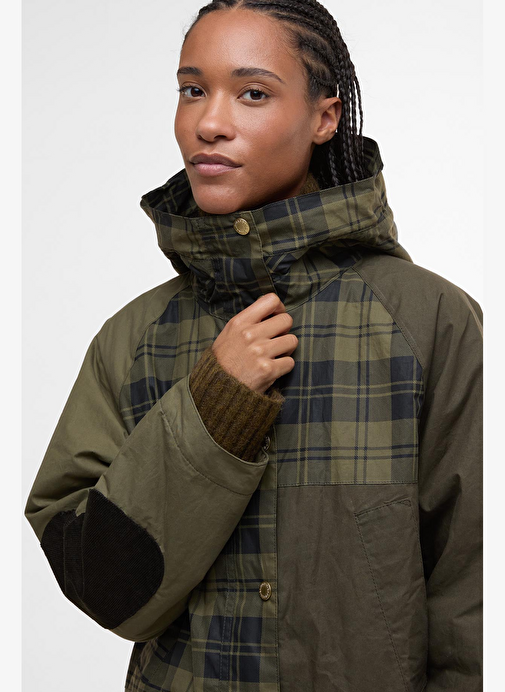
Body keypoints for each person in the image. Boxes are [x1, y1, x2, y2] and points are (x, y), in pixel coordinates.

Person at [24, 1, 483, 691]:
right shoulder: (134, 338)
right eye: (191, 89)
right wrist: (211, 414)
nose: (208, 122)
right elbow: (101, 587)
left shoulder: (429, 322)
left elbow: (476, 597)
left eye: (253, 93)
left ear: (325, 117)